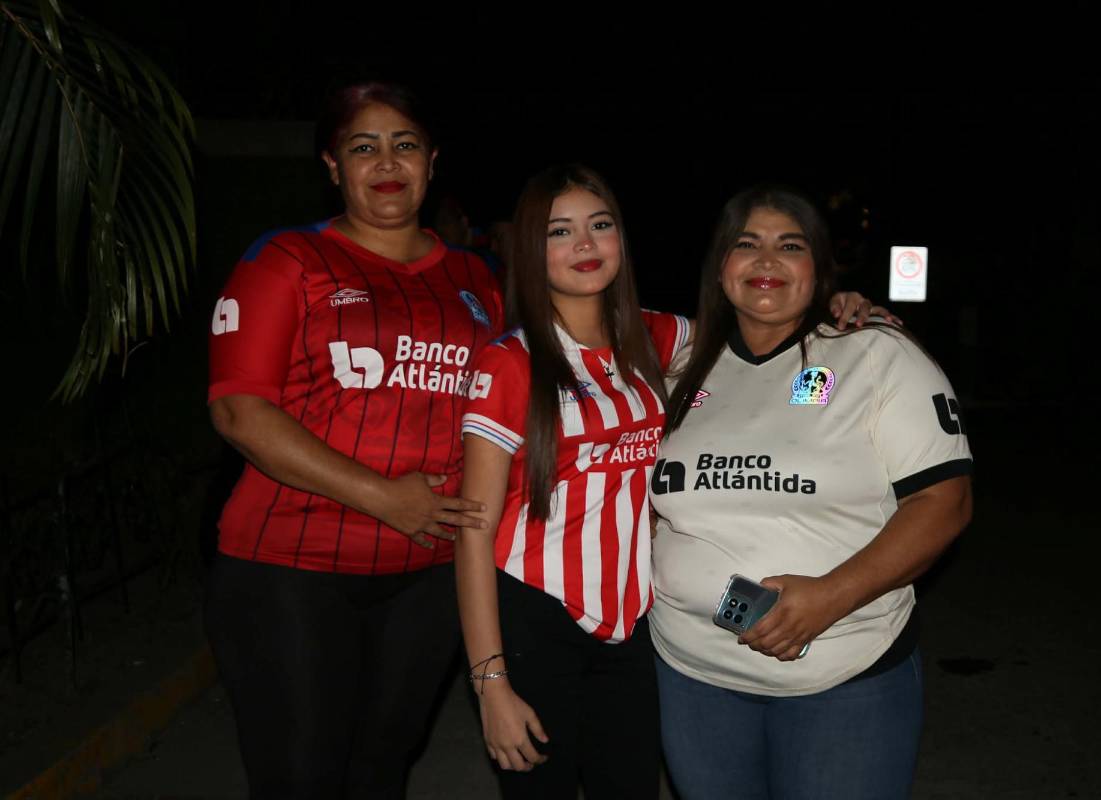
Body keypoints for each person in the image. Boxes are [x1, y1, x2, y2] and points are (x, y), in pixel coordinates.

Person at [454, 166, 888, 799]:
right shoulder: (509, 362)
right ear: (529, 248)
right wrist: (490, 684)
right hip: (534, 618)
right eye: (560, 231)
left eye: (600, 226)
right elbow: (473, 533)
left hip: (635, 623)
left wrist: (837, 306)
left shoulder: (664, 338)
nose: (585, 244)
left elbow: (764, 332)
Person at [205, 82, 502, 799]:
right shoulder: (285, 261)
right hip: (291, 566)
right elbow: (240, 413)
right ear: (333, 167)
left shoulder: (476, 279)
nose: (386, 161)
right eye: (362, 147)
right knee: (302, 775)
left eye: (404, 144)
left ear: (432, 160)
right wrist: (383, 498)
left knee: (382, 768)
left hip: (430, 574)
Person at [649, 185, 973, 799]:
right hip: (692, 678)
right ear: (722, 268)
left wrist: (828, 598)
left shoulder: (875, 355)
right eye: (747, 244)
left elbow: (944, 502)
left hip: (845, 679)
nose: (766, 260)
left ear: (820, 270)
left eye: (789, 245)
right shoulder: (678, 366)